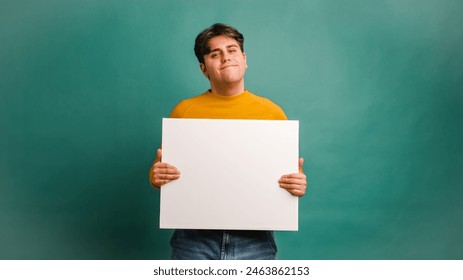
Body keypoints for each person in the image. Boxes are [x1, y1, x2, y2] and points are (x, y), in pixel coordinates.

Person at [149, 23, 307, 260]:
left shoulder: (272, 112)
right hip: (194, 240)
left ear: (244, 59)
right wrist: (155, 176)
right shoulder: (184, 111)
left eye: (232, 50)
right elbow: (165, 173)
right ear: (204, 69)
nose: (225, 57)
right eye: (215, 54)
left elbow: (287, 177)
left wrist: (297, 183)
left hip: (256, 241)